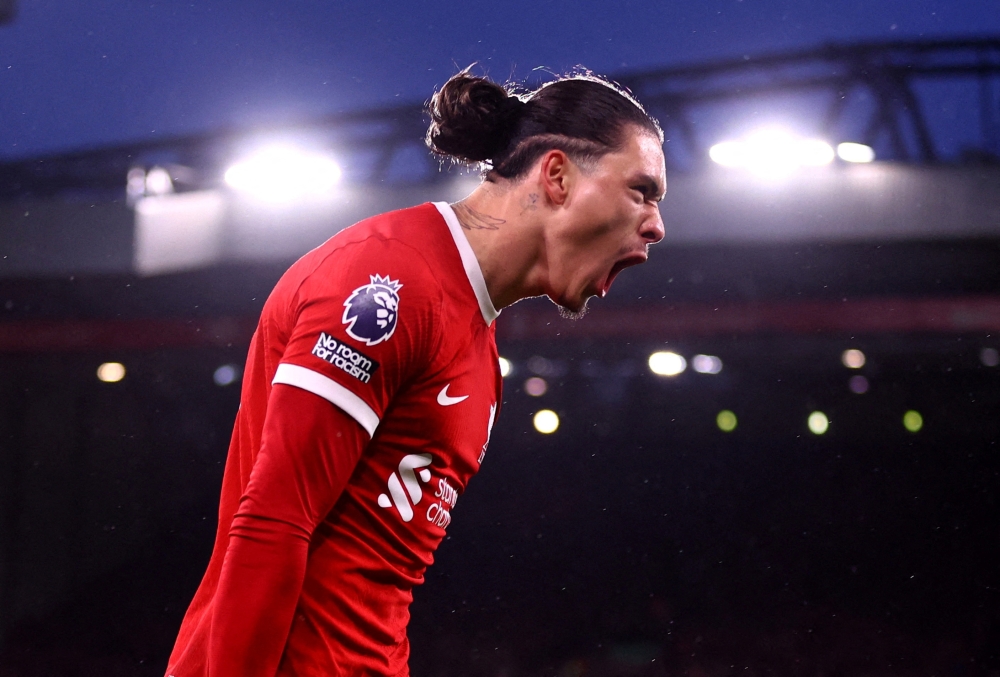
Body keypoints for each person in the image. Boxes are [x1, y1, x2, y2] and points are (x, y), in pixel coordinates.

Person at [165, 68, 666, 677]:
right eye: (642, 191)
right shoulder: (387, 281)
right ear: (557, 177)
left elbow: (375, 585)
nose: (656, 226)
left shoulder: (481, 356)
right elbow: (273, 522)